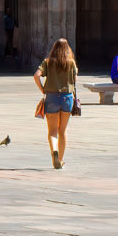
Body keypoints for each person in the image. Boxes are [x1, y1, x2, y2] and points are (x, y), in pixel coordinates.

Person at [34, 38, 77, 169]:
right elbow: (75, 80)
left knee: (52, 131)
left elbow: (36, 76)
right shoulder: (71, 62)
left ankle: (54, 152)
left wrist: (42, 89)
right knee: (62, 131)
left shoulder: (47, 62)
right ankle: (61, 159)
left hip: (51, 97)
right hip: (67, 98)